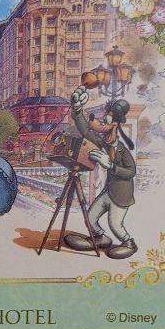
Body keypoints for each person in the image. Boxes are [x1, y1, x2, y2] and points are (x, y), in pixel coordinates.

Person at [62, 88, 138, 258]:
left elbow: (131, 171)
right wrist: (77, 110)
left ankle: (129, 243)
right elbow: (86, 131)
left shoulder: (122, 150)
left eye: (107, 119)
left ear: (115, 124)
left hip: (121, 195)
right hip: (108, 191)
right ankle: (99, 238)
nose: (102, 122)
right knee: (91, 217)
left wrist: (111, 166)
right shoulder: (103, 143)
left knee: (115, 225)